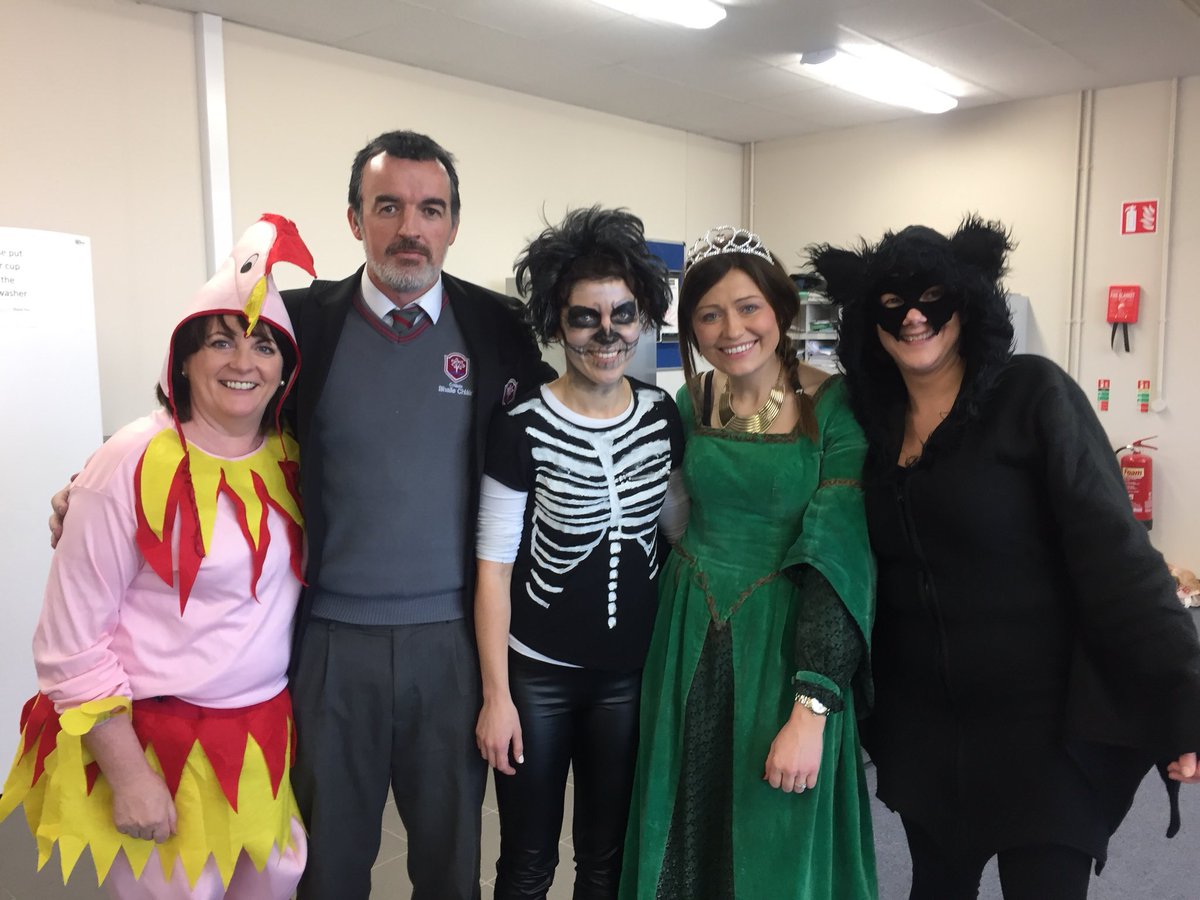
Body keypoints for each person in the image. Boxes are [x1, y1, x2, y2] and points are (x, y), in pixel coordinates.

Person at [810, 215, 1200, 900]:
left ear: (968, 302)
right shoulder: (867, 427)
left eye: (933, 298)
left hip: (1045, 732)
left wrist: (1180, 692)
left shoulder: (1033, 394)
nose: (913, 318)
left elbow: (1117, 557)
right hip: (926, 732)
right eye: (892, 304)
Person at [1, 215, 313, 899]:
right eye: (221, 341)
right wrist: (129, 775)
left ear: (284, 368)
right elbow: (69, 642)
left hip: (261, 743)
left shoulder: (293, 459)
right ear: (184, 359)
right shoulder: (128, 460)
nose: (243, 362)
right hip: (158, 746)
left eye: (263, 345)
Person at [279, 130, 552, 900]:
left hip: (455, 643)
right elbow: (207, 405)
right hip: (331, 644)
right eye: (388, 206)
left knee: (449, 865)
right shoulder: (299, 326)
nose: (411, 227)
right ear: (354, 219)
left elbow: (556, 427)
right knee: (328, 867)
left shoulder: (498, 326)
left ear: (453, 225)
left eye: (431, 209)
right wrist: (106, 480)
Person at [620, 226, 878, 899]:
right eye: (709, 315)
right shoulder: (690, 402)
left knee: (772, 835)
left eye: (747, 308)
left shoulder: (834, 408)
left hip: (785, 644)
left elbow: (839, 557)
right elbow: (667, 512)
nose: (731, 330)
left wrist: (812, 706)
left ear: (781, 309)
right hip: (687, 634)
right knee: (683, 823)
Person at [473, 206, 684, 899]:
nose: (606, 334)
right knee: (527, 862)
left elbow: (678, 530)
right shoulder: (520, 426)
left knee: (607, 861)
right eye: (585, 318)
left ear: (643, 317)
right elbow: (494, 569)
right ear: (557, 323)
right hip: (537, 677)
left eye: (623, 315)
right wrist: (497, 696)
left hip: (629, 676)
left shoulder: (662, 416)